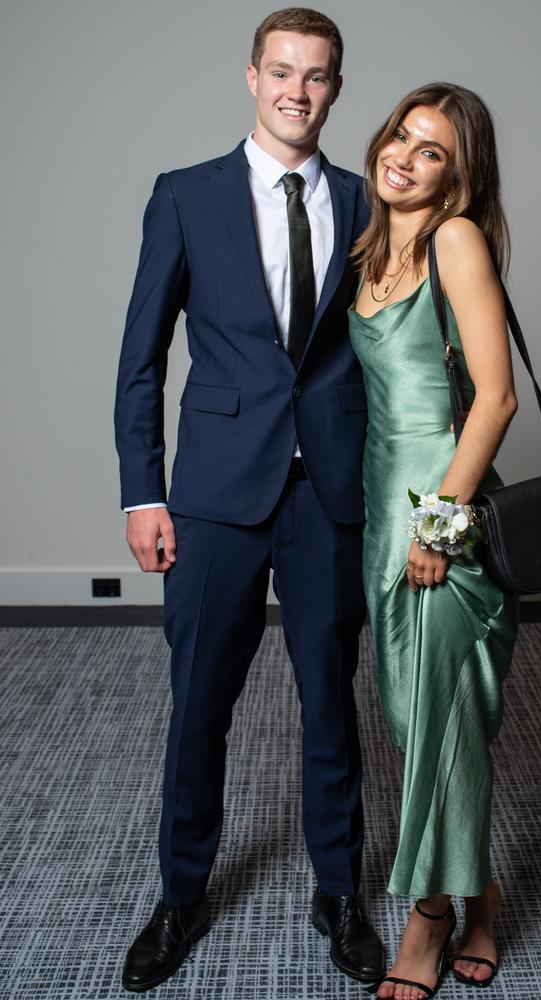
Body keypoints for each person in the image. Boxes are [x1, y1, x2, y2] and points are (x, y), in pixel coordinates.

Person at [114, 7, 385, 992]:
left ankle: (338, 892)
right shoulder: (185, 197)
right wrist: (141, 493)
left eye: (316, 76)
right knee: (200, 708)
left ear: (336, 88)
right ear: (250, 76)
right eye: (281, 72)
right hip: (215, 497)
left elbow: (392, 359)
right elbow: (140, 361)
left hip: (328, 495)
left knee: (329, 703)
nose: (296, 91)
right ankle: (181, 893)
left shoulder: (368, 204)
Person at [348, 83, 520, 1000]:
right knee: (415, 725)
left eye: (433, 152)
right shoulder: (376, 244)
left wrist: (438, 528)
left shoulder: (455, 239)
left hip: (435, 514)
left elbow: (495, 398)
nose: (405, 158)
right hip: (383, 512)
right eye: (401, 137)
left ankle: (431, 916)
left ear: (459, 176)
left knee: (444, 725)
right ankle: (482, 891)